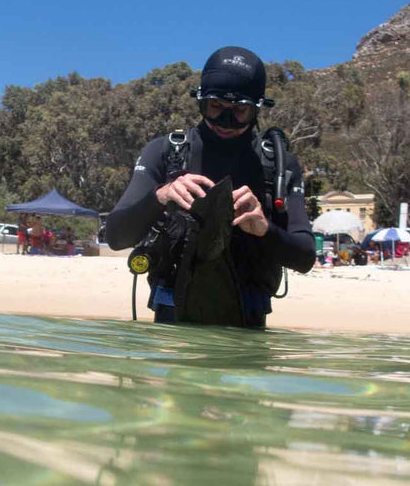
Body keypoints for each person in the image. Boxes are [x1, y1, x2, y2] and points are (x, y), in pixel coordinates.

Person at [105, 45, 315, 327]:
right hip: (172, 325)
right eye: (215, 107)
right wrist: (161, 196)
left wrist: (265, 229)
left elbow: (305, 257)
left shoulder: (279, 166)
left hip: (246, 330)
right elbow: (116, 236)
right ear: (200, 101)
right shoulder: (165, 153)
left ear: (258, 108)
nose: (225, 121)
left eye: (240, 110)